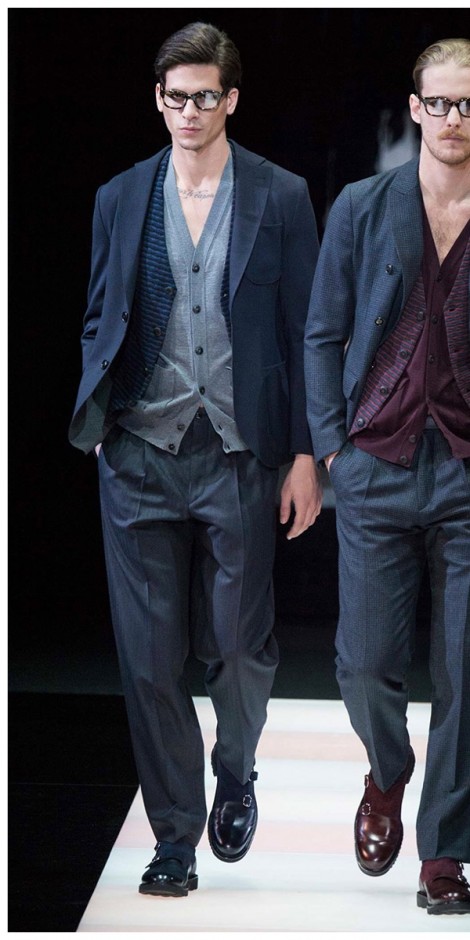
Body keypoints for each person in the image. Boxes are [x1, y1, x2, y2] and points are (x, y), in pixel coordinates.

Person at [69, 21, 321, 897]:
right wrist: (101, 417)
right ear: (158, 98)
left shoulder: (280, 195)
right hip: (139, 450)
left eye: (204, 96)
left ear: (231, 99)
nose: (188, 111)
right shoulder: (120, 196)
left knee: (241, 648)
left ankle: (236, 768)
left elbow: (307, 331)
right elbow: (101, 313)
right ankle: (174, 836)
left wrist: (306, 453)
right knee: (147, 661)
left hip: (239, 451)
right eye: (175, 97)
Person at [305, 37, 470, 915]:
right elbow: (321, 331)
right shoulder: (363, 207)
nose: (453, 119)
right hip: (377, 461)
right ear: (415, 108)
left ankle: (445, 851)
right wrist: (333, 446)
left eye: (468, 105)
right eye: (439, 102)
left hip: (467, 473)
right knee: (365, 665)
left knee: (466, 669)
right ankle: (388, 771)